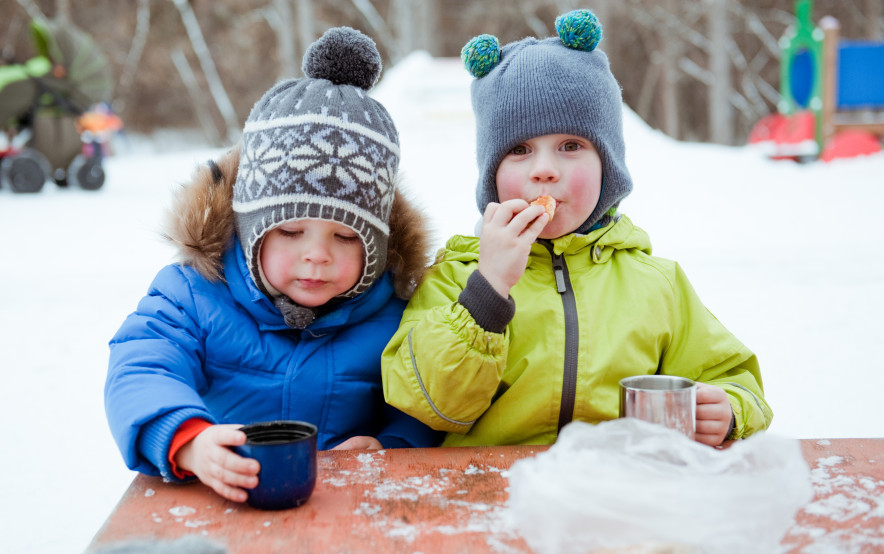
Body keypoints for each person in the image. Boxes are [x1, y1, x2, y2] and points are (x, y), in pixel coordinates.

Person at [381, 10, 772, 448]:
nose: (545, 170)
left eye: (571, 146)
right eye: (519, 150)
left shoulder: (656, 284)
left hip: (614, 492)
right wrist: (488, 290)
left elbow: (733, 376)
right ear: (491, 176)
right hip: (491, 497)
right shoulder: (455, 279)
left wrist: (731, 408)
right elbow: (427, 402)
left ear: (608, 166)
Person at [105, 27, 442, 504]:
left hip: (355, 509)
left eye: (346, 236)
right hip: (224, 498)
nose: (317, 255)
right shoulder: (195, 294)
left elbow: (428, 401)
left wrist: (393, 444)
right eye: (289, 232)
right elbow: (141, 366)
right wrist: (189, 441)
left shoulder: (397, 312)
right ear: (248, 229)